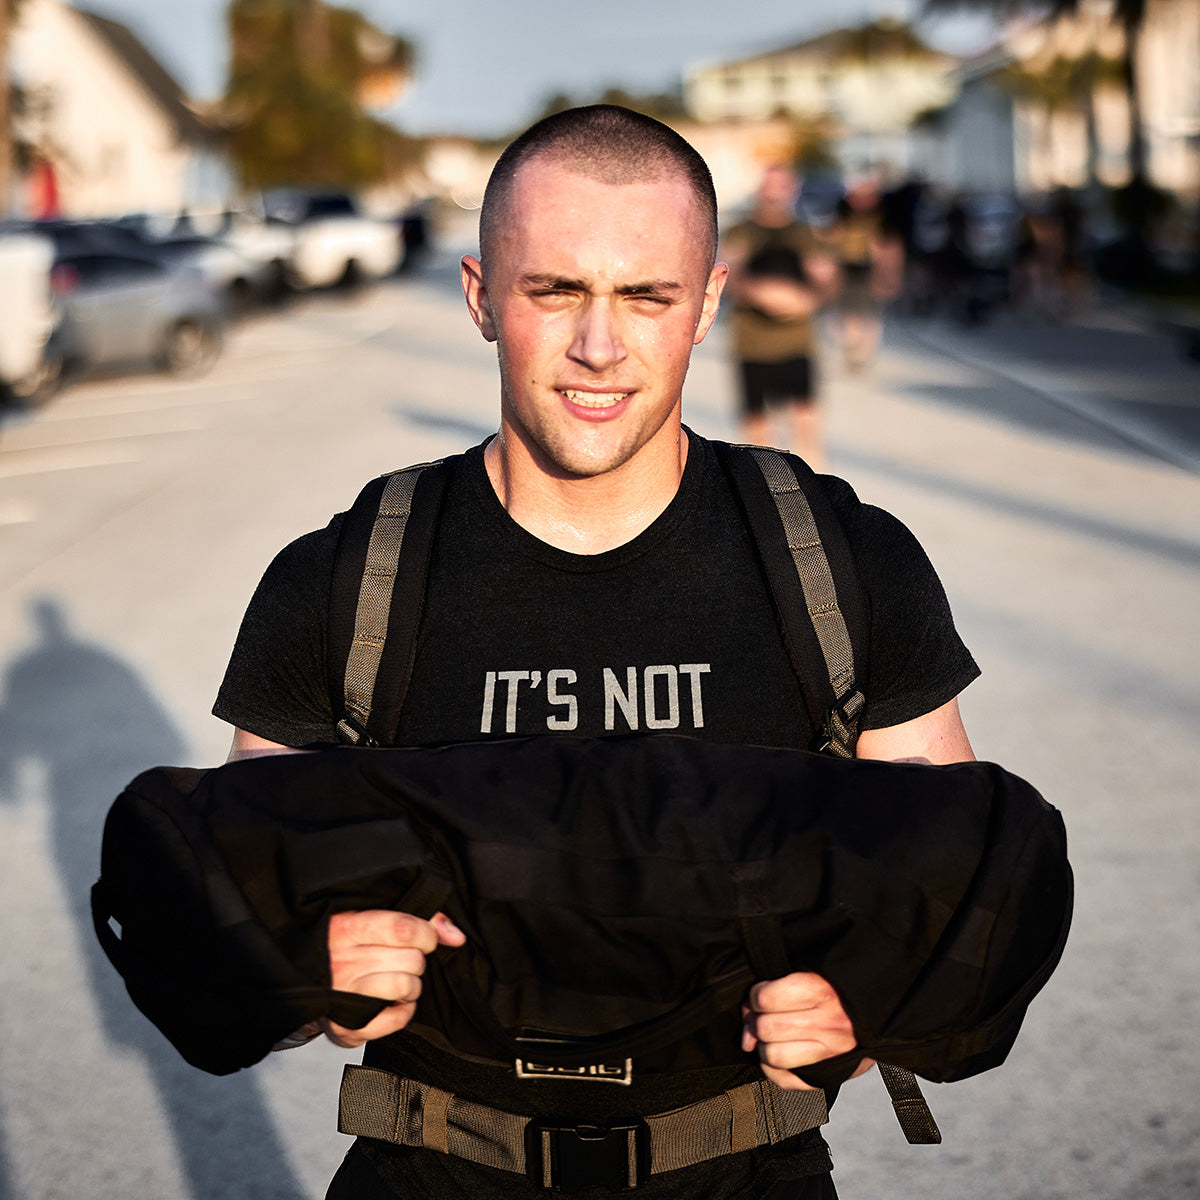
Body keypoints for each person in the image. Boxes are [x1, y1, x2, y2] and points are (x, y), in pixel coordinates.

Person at [214, 105, 979, 1199]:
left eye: (646, 295)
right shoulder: (343, 582)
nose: (600, 346)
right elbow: (239, 920)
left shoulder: (842, 564)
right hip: (428, 1171)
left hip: (745, 1171)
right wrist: (302, 968)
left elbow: (953, 881)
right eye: (555, 290)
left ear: (707, 302)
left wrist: (874, 996)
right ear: (482, 298)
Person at [720, 164, 837, 467]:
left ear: (792, 191)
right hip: (752, 342)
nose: (774, 193)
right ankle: (764, 496)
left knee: (805, 422)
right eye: (769, 186)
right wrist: (762, 293)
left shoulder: (804, 234)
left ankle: (814, 492)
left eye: (781, 186)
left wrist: (806, 301)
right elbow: (728, 278)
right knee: (756, 428)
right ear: (760, 189)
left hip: (796, 342)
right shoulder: (742, 232)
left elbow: (826, 280)